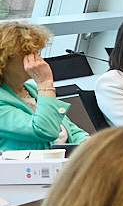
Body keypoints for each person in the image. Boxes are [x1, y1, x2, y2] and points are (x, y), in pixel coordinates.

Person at [0, 22, 87, 151]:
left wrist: (91, 144)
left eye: (37, 52)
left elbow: (71, 130)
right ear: (4, 59)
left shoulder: (32, 90)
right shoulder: (42, 88)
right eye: (28, 53)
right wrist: (45, 83)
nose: (38, 60)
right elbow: (44, 130)